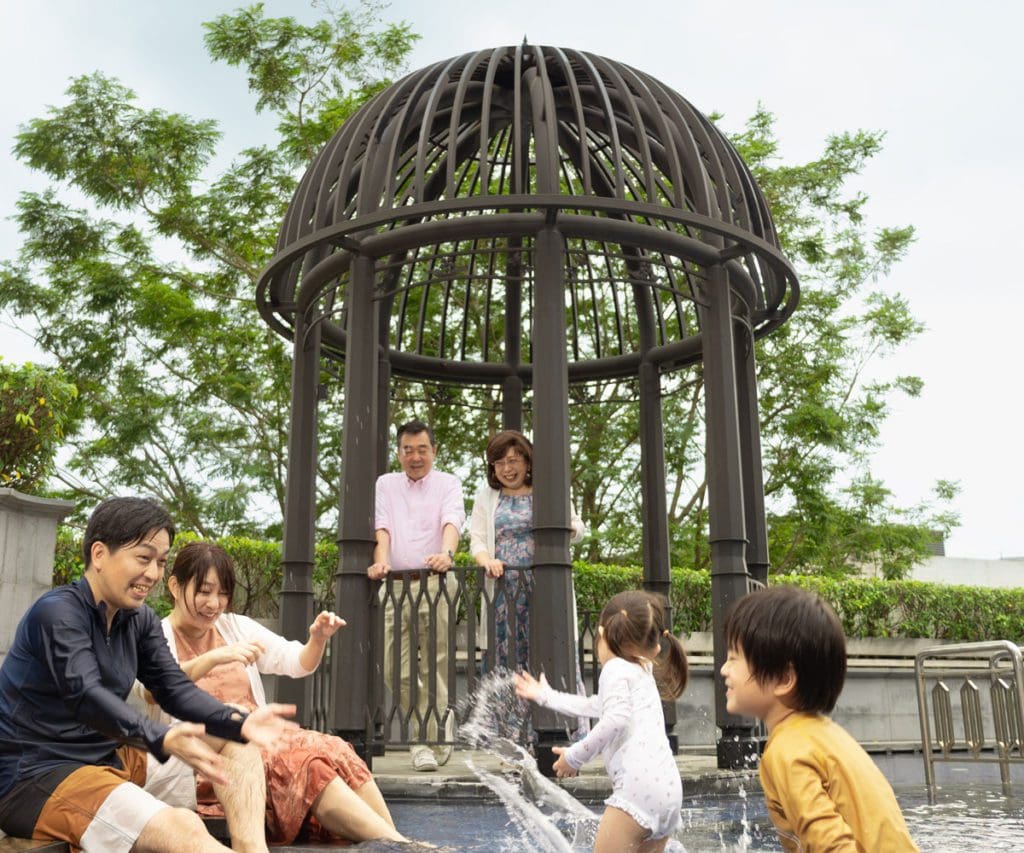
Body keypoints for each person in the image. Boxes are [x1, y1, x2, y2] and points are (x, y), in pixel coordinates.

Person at [0, 497, 297, 853]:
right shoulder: (57, 613)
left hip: (110, 759)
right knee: (180, 830)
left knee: (234, 743)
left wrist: (237, 721)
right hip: (37, 775)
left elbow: (173, 688)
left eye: (160, 562)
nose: (154, 575)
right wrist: (159, 736)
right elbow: (86, 696)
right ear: (99, 554)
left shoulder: (136, 619)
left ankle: (252, 848)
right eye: (143, 558)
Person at [137, 541, 409, 845]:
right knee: (300, 759)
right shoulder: (156, 635)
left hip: (265, 747)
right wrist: (213, 658)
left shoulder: (235, 627)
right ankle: (403, 846)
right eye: (204, 591)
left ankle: (398, 843)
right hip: (207, 762)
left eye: (222, 593)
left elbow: (295, 661)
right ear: (175, 586)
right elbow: (152, 690)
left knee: (331, 750)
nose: (214, 603)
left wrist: (316, 639)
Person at [721, 585, 918, 852]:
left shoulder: (787, 750)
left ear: (783, 678)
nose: (724, 669)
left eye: (734, 658)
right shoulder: (824, 734)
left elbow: (831, 846)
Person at [516, 590, 687, 853]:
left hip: (637, 793)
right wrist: (546, 696)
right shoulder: (642, 667)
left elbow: (616, 719)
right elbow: (595, 706)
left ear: (602, 633)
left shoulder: (615, 669)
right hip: (669, 794)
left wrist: (575, 757)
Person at [367, 419, 466, 772]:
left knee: (438, 663)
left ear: (434, 451)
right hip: (395, 584)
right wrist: (380, 563)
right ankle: (433, 726)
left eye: (422, 449)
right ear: (398, 453)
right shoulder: (385, 484)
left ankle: (426, 741)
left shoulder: (448, 483)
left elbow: (452, 520)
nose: (415, 456)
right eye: (408, 450)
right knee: (396, 667)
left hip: (436, 580)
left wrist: (447, 555)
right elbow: (382, 526)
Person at [469, 429, 587, 674]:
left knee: (548, 654)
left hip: (545, 588)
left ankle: (552, 711)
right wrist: (487, 561)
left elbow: (578, 527)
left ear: (527, 460)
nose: (506, 469)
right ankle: (507, 714)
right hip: (503, 592)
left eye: (513, 461)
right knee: (506, 658)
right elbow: (477, 541)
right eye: (499, 463)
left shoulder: (549, 489)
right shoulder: (486, 496)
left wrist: (568, 530)